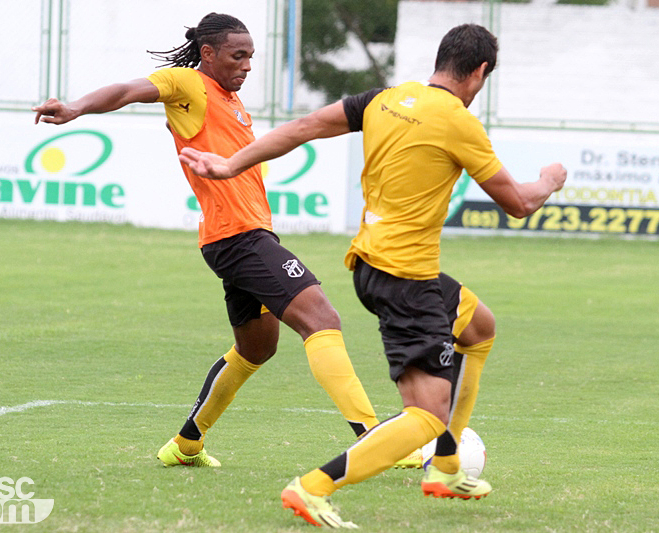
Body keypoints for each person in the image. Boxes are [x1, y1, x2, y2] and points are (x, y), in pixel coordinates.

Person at [179, 23, 567, 528]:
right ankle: (312, 487)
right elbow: (518, 203)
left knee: (480, 327)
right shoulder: (459, 121)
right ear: (480, 72)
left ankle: (447, 467)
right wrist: (550, 180)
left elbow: (303, 127)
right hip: (406, 278)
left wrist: (232, 165)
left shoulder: (385, 99)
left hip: (372, 264)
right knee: (425, 414)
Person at [32, 12, 383, 468]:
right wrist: (77, 107)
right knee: (321, 319)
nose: (248, 66)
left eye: (252, 57)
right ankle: (375, 437)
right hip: (239, 237)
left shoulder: (230, 100)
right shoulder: (187, 84)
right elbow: (126, 91)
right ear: (208, 54)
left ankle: (186, 444)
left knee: (257, 347)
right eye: (238, 56)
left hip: (238, 237)